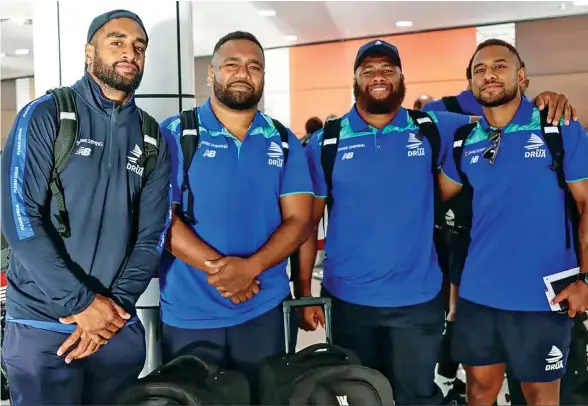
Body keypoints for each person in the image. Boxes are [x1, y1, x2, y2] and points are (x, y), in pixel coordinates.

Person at [0, 9, 171, 405]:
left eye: (139, 46)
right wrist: (82, 305)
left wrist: (110, 313)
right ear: (88, 51)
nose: (130, 52)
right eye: (117, 41)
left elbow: (152, 238)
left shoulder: (151, 137)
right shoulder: (45, 115)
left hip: (115, 327)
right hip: (43, 327)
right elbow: (18, 219)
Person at [159, 31, 313, 403]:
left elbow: (299, 221)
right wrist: (228, 272)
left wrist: (252, 268)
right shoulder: (177, 134)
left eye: (253, 66)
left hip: (263, 308)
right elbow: (161, 219)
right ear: (211, 74)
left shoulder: (282, 139)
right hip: (190, 311)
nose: (243, 72)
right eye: (231, 64)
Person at [438, 38, 588, 406]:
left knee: (539, 396)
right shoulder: (464, 141)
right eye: (479, 70)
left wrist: (586, 279)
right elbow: (431, 198)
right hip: (479, 294)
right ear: (471, 84)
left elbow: (587, 204)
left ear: (521, 77)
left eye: (499, 66)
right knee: (480, 391)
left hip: (542, 295)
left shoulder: (558, 127)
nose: (489, 74)